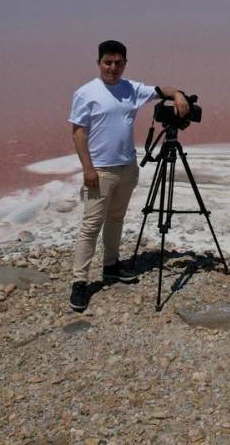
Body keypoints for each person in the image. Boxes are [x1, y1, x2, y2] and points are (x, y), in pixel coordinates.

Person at [67, 39, 190, 312]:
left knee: (116, 219)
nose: (113, 68)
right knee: (90, 226)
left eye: (118, 63)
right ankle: (79, 282)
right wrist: (87, 168)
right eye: (108, 62)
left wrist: (178, 95)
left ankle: (111, 266)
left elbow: (162, 90)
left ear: (125, 63)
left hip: (127, 166)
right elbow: (78, 132)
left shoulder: (131, 88)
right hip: (100, 169)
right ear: (98, 63)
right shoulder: (86, 93)